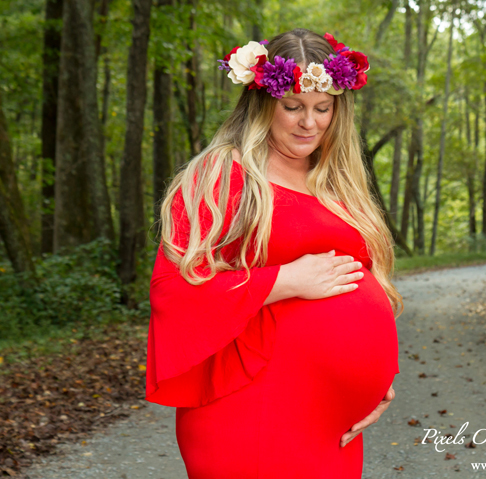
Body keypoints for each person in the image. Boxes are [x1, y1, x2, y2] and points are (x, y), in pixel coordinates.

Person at [145, 28, 404, 478]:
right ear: (263, 103)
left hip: (333, 424)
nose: (310, 123)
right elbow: (173, 290)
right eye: (294, 108)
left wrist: (376, 383)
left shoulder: (337, 183)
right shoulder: (224, 175)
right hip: (251, 409)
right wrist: (287, 281)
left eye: (323, 109)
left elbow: (364, 282)